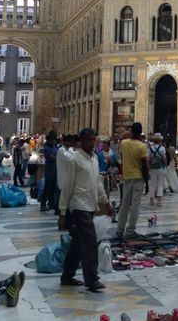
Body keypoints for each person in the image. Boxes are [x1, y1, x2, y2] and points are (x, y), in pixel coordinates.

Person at [58, 127, 113, 292]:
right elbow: (67, 186)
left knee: (77, 242)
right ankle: (92, 279)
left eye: (93, 139)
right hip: (78, 205)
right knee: (90, 241)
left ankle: (67, 276)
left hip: (91, 205)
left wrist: (106, 203)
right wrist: (62, 212)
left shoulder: (94, 159)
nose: (92, 142)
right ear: (81, 141)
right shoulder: (74, 159)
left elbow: (98, 184)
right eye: (89, 139)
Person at [116, 122, 149, 238]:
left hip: (127, 176)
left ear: (131, 131)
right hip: (138, 177)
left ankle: (120, 229)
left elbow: (122, 158)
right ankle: (130, 229)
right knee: (135, 204)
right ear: (140, 132)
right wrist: (147, 182)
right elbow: (144, 165)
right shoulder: (142, 146)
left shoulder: (123, 143)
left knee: (124, 204)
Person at [40, 131, 59, 212]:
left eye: (54, 140)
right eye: (52, 140)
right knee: (47, 188)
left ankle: (51, 203)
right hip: (49, 170)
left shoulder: (55, 147)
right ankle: (43, 204)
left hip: (55, 170)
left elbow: (56, 157)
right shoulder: (47, 149)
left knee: (53, 188)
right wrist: (57, 157)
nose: (53, 141)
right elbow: (53, 158)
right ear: (49, 140)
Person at [147, 133, 167, 207]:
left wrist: (149, 167)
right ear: (159, 140)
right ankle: (159, 201)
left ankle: (151, 200)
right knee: (160, 184)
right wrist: (164, 164)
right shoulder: (162, 148)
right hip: (160, 167)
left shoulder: (150, 148)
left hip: (153, 168)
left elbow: (148, 159)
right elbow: (164, 158)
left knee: (152, 184)